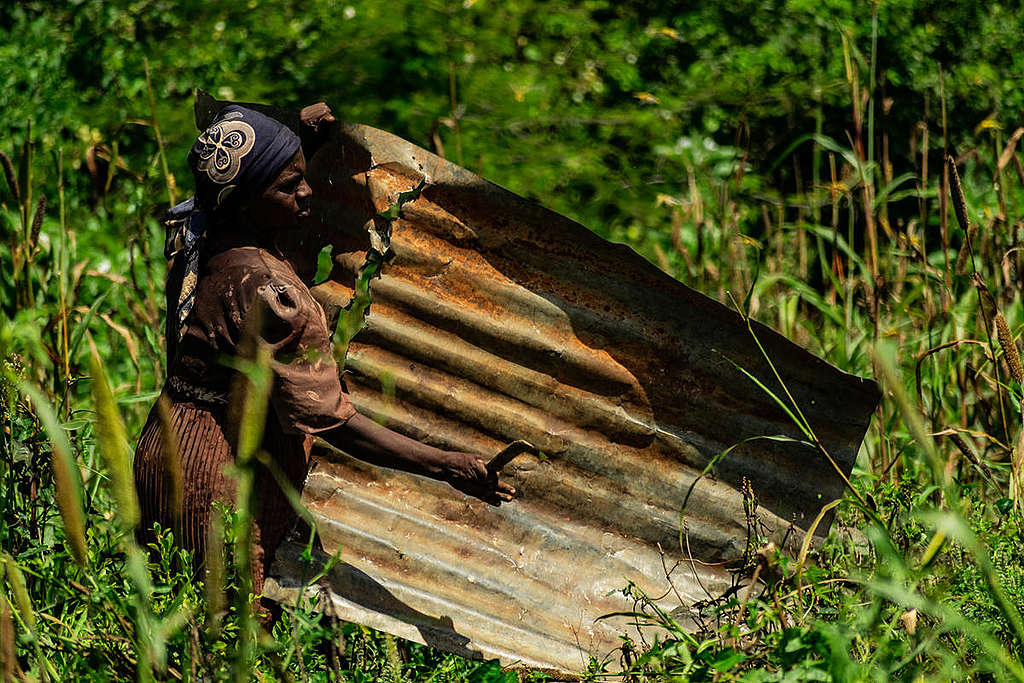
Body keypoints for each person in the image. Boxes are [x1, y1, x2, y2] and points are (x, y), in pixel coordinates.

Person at [132, 102, 515, 597]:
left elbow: (253, 181)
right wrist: (445, 465)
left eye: (304, 176)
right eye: (291, 186)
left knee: (166, 606)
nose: (308, 193)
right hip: (220, 476)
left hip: (167, 445)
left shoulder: (203, 237)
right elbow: (335, 422)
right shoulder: (270, 292)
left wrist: (296, 140)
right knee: (227, 627)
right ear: (248, 200)